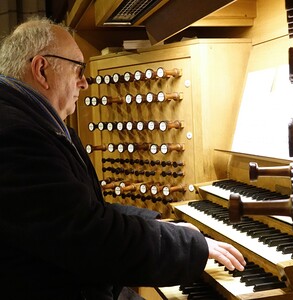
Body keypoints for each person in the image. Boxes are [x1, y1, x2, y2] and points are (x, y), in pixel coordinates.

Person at [0, 17, 246, 300]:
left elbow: (84, 210)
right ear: (42, 69)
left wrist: (154, 223)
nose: (84, 83)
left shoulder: (34, 123)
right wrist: (190, 246)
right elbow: (89, 238)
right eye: (78, 69)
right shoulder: (16, 135)